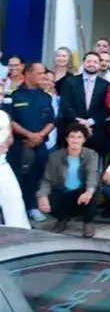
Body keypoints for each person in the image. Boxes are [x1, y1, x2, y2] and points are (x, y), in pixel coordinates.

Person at [4, 62, 56, 222]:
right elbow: (9, 120)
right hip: (19, 146)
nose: (43, 76)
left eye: (44, 73)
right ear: (28, 74)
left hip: (40, 145)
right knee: (19, 178)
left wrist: (39, 136)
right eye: (39, 73)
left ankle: (32, 207)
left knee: (37, 176)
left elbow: (51, 121)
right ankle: (17, 211)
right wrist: (28, 135)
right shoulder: (13, 96)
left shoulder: (45, 96)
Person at [36, 123, 100, 237]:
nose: (75, 140)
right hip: (63, 192)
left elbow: (92, 174)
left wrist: (89, 191)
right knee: (48, 197)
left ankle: (88, 222)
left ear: (84, 140)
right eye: (72, 137)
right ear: (67, 139)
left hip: (81, 194)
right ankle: (62, 219)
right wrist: (42, 196)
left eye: (79, 137)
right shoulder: (55, 157)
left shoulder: (91, 155)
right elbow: (47, 179)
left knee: (94, 189)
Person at [58, 52, 110, 155]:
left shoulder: (106, 85)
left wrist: (90, 122)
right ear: (83, 63)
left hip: (95, 133)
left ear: (99, 64)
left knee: (92, 162)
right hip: (72, 130)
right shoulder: (70, 81)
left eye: (95, 62)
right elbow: (65, 105)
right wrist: (81, 123)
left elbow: (105, 109)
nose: (92, 64)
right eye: (89, 61)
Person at [0, 110, 29, 228]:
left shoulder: (4, 115)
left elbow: (10, 137)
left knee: (14, 199)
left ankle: (19, 232)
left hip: (2, 164)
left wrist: (6, 144)